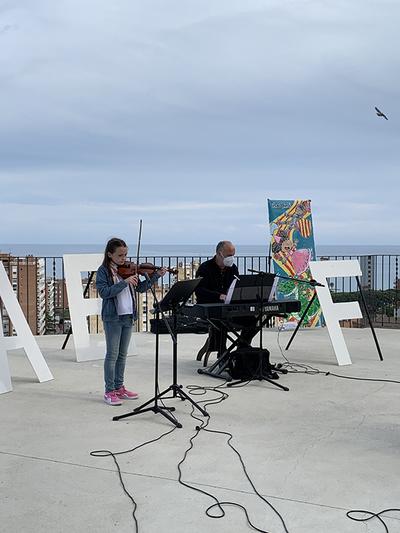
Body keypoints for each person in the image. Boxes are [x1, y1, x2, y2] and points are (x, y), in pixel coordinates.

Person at [96, 237, 167, 405]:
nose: (124, 259)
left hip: (128, 315)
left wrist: (156, 275)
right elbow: (104, 292)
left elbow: (141, 288)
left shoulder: (129, 269)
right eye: (120, 255)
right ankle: (109, 390)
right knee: (112, 355)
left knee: (122, 355)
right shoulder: (104, 271)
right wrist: (124, 283)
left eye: (126, 255)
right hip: (113, 317)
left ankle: (119, 387)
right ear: (109, 254)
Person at [195, 241, 258, 355]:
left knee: (252, 321)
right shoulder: (205, 268)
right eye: (229, 255)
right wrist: (219, 296)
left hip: (230, 307)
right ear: (219, 254)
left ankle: (242, 348)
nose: (231, 258)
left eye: (233, 255)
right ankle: (222, 354)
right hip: (211, 307)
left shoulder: (232, 268)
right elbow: (199, 291)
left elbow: (236, 286)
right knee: (220, 323)